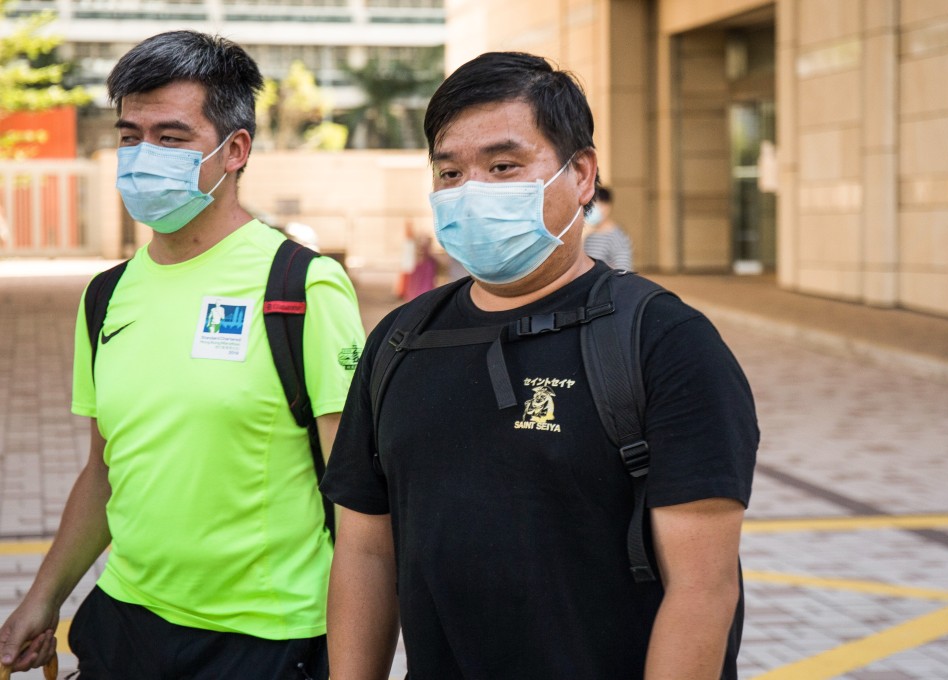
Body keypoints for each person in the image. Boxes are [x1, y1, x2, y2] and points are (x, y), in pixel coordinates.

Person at [321, 51, 758, 680]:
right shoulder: (400, 340)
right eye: (450, 173)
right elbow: (365, 551)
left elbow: (703, 588)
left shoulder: (665, 342)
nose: (471, 193)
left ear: (581, 176)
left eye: (503, 166)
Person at [0, 31, 364, 679]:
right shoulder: (106, 295)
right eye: (129, 135)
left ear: (236, 150)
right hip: (125, 622)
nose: (143, 156)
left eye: (171, 137)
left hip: (266, 637)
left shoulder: (301, 288)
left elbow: (360, 498)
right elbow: (104, 469)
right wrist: (42, 598)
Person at [583, 185, 633, 271]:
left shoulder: (617, 238)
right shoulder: (590, 237)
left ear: (607, 207)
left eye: (594, 206)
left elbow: (623, 272)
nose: (590, 211)